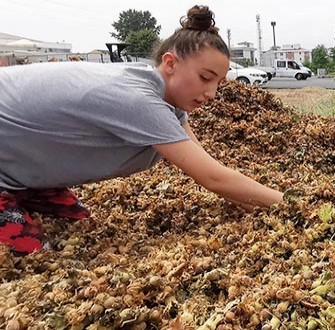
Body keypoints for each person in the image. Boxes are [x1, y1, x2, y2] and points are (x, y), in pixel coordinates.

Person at [0, 5, 283, 254]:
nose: (212, 93)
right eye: (205, 78)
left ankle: (23, 189)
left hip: (17, 159)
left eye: (218, 83)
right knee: (36, 253)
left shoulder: (165, 98)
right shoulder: (139, 100)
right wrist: (294, 206)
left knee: (76, 220)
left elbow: (205, 163)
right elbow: (213, 178)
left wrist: (254, 202)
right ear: (170, 63)